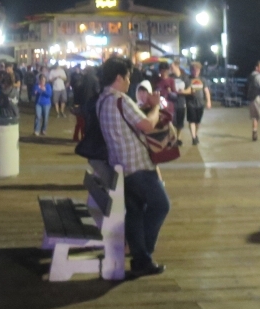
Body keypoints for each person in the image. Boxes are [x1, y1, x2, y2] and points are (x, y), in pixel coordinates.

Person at [97, 57, 170, 277]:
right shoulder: (121, 100)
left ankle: (141, 260)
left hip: (120, 166)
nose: (130, 81)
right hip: (138, 165)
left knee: (135, 212)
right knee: (161, 205)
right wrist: (155, 106)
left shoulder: (102, 100)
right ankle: (144, 252)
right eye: (128, 77)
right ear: (119, 77)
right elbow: (147, 125)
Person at [183, 61, 212, 145]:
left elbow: (206, 91)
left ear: (199, 70)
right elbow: (183, 90)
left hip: (200, 103)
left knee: (198, 122)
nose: (195, 72)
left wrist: (208, 101)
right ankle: (193, 137)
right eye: (194, 70)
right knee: (192, 121)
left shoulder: (202, 80)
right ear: (191, 70)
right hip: (190, 103)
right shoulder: (187, 79)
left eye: (197, 70)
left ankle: (195, 134)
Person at [72, 66, 100, 142]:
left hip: (82, 103)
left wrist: (76, 102)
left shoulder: (81, 79)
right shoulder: (94, 80)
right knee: (89, 121)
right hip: (91, 103)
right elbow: (97, 91)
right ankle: (86, 137)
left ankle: (81, 136)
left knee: (81, 121)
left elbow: (77, 90)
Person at [154, 62, 182, 132]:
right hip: (159, 107)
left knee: (170, 126)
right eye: (162, 71)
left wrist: (170, 92)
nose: (163, 73)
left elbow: (175, 95)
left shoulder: (171, 80)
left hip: (169, 107)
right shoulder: (156, 80)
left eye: (165, 71)